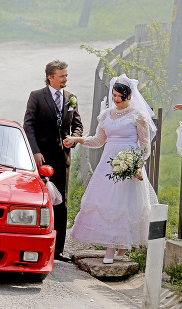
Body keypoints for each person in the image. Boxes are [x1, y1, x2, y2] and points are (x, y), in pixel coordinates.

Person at [64, 74, 158, 264]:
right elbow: (98, 140)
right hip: (108, 162)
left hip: (128, 163)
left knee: (122, 205)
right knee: (105, 202)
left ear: (129, 96)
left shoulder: (138, 116)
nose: (115, 100)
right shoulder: (106, 115)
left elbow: (145, 145)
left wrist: (136, 165)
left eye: (119, 96)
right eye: (114, 95)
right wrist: (76, 139)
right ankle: (115, 245)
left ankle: (114, 247)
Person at [23, 60, 83, 262]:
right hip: (41, 159)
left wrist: (73, 139)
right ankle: (34, 245)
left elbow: (78, 124)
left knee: (62, 204)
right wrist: (35, 152)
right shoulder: (37, 97)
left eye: (66, 75)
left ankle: (58, 251)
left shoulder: (71, 98)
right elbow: (28, 125)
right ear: (50, 76)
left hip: (62, 158)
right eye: (62, 75)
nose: (66, 79)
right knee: (40, 200)